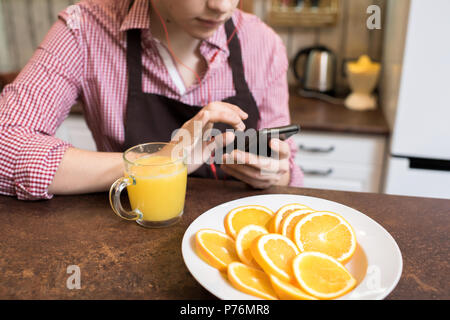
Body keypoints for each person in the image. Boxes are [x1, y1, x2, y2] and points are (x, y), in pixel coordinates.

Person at [0, 0, 303, 200]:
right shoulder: (85, 30)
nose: (220, 5)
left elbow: (290, 173)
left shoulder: (263, 43)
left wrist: (275, 174)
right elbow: (6, 144)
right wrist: (159, 162)